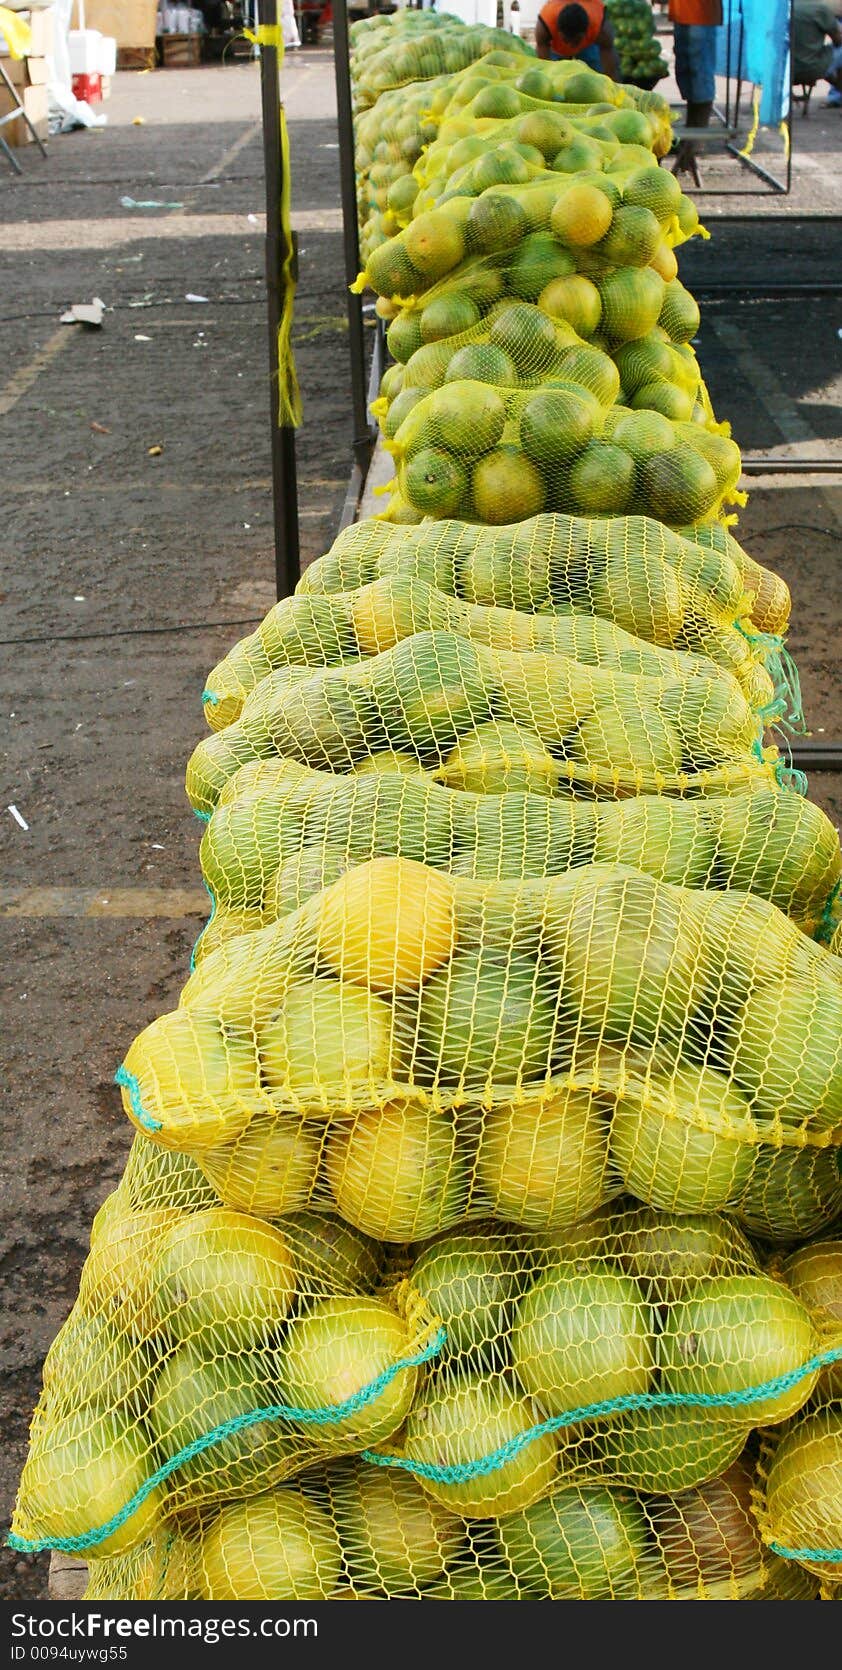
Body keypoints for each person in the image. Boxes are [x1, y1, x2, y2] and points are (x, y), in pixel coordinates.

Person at [669, 0, 723, 184]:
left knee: (699, 70)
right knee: (686, 69)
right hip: (682, 10)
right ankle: (691, 138)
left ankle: (695, 140)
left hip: (701, 12)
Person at [535, 1, 622, 80]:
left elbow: (610, 65)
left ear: (586, 31)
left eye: (576, 41)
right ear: (558, 31)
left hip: (587, 46)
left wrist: (614, 86)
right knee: (554, 77)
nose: (571, 46)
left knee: (597, 75)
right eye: (566, 40)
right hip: (556, 48)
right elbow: (544, 64)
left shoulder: (601, 29)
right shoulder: (545, 25)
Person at [792, 0, 842, 108]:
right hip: (812, 68)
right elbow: (838, 40)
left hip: (785, 71)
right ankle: (837, 93)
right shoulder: (819, 9)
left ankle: (836, 95)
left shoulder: (783, 8)